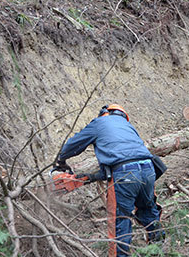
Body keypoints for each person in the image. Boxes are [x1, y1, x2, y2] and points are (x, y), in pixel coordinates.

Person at [55, 104, 164, 257]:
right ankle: (159, 250)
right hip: (148, 168)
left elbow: (74, 144)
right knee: (148, 211)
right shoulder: (128, 126)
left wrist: (61, 160)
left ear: (105, 113)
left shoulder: (99, 123)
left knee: (120, 220)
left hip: (125, 174)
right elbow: (128, 154)